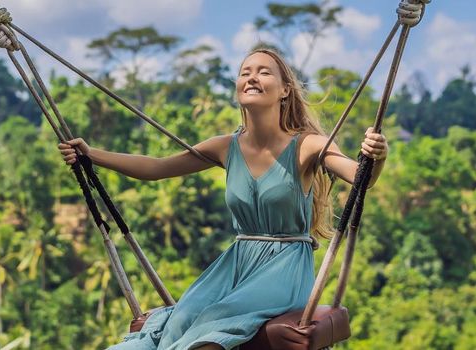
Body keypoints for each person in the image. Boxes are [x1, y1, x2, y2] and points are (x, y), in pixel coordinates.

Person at [58, 48, 388, 350]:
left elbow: (361, 178)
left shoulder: (308, 145)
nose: (252, 77)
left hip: (284, 268)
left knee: (210, 333)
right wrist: (92, 155)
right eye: (245, 72)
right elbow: (156, 168)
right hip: (235, 263)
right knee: (179, 323)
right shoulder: (225, 147)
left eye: (264, 71)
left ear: (285, 90)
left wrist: (376, 158)